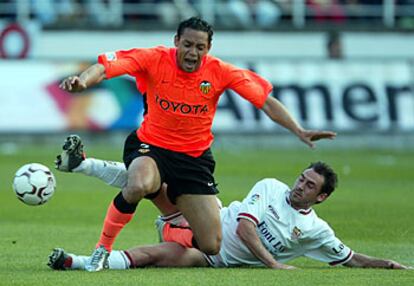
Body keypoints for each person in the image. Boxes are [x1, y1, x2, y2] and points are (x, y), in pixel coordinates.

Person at [59, 16, 336, 272]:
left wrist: (298, 130)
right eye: (188, 45)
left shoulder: (220, 71)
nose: (192, 53)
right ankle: (102, 250)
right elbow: (105, 67)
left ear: (209, 47)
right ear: (176, 41)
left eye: (200, 47)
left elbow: (265, 102)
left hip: (193, 159)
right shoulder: (154, 58)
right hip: (150, 145)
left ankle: (118, 179)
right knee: (139, 183)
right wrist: (82, 82)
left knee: (210, 245)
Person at [48, 162, 411, 270]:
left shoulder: (316, 231)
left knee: (153, 257)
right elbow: (245, 228)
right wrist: (274, 265)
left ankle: (75, 262)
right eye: (301, 177)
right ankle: (85, 165)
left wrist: (391, 266)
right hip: (206, 220)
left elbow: (350, 259)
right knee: (154, 181)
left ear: (322, 197)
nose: (299, 185)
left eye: (309, 185)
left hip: (207, 255)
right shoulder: (270, 184)